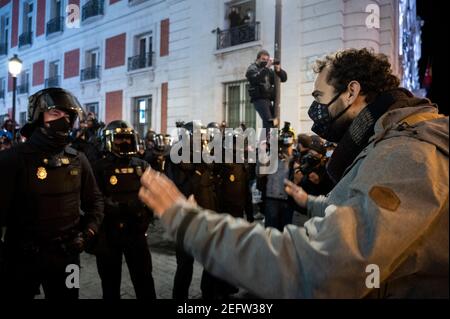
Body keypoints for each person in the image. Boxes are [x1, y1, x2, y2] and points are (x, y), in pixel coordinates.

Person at [138, 48, 448, 298]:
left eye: (318, 97)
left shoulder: (406, 153)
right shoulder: (388, 143)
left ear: (351, 92)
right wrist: (312, 203)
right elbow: (362, 214)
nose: (316, 111)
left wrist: (189, 224)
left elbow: (322, 267)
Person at [0, 87, 104, 299]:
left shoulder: (79, 159)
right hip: (22, 259)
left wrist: (88, 233)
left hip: (68, 259)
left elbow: (95, 202)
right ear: (38, 117)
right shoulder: (12, 159)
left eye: (68, 116)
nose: (63, 120)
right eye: (55, 114)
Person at [91, 120, 156, 299]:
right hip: (108, 234)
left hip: (136, 232)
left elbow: (153, 194)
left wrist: (144, 218)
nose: (124, 142)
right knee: (110, 284)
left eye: (127, 138)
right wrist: (121, 208)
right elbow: (94, 199)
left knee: (144, 280)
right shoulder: (98, 167)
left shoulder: (141, 165)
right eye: (119, 139)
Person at [246, 50, 287, 142]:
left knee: (275, 121)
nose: (265, 61)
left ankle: (269, 142)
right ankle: (264, 144)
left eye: (267, 60)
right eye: (263, 59)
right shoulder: (252, 68)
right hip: (259, 99)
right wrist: (267, 67)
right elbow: (256, 79)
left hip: (268, 99)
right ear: (257, 59)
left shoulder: (268, 70)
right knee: (268, 121)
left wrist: (278, 69)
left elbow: (284, 78)